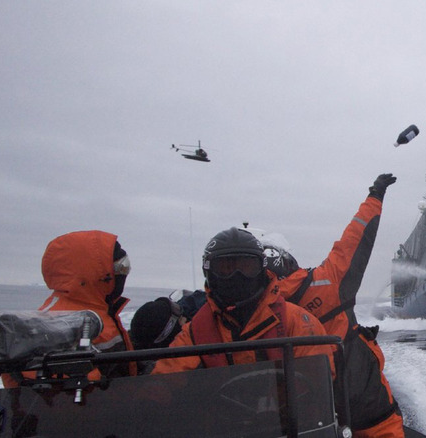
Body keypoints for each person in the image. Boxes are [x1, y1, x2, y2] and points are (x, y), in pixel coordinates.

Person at [265, 173, 404, 438]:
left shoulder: (254, 309)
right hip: (362, 399)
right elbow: (356, 236)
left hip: (294, 411)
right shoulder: (328, 282)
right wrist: (375, 194)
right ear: (289, 263)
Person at [150, 228, 334, 375]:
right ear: (209, 273)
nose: (236, 277)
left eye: (246, 267)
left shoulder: (298, 324)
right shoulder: (196, 333)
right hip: (220, 420)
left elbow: (317, 386)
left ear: (262, 270)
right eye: (225, 269)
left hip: (284, 420)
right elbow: (162, 387)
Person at [2, 230, 136, 387]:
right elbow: (40, 396)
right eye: (120, 267)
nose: (124, 274)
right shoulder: (55, 325)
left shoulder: (101, 311)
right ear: (97, 274)